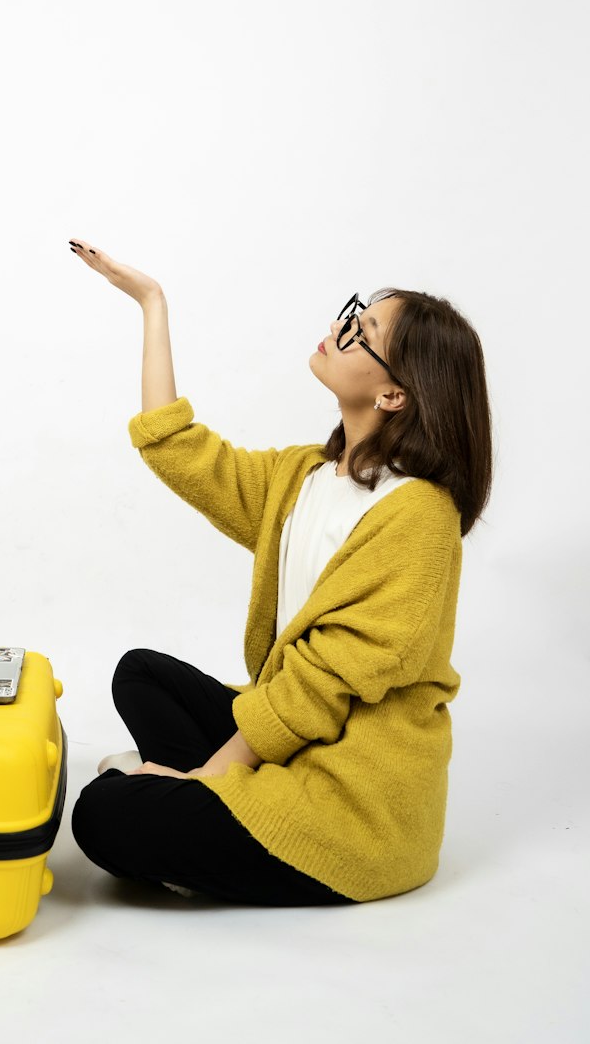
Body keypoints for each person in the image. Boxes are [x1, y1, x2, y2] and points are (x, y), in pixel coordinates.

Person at [67, 239, 493, 906]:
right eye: (351, 313)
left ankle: (192, 805)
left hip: (354, 806)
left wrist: (206, 779)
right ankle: (191, 807)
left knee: (97, 817)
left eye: (362, 330)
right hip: (293, 742)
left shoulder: (419, 516)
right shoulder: (304, 479)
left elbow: (319, 686)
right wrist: (153, 304)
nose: (337, 328)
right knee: (141, 674)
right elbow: (179, 451)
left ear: (393, 393)